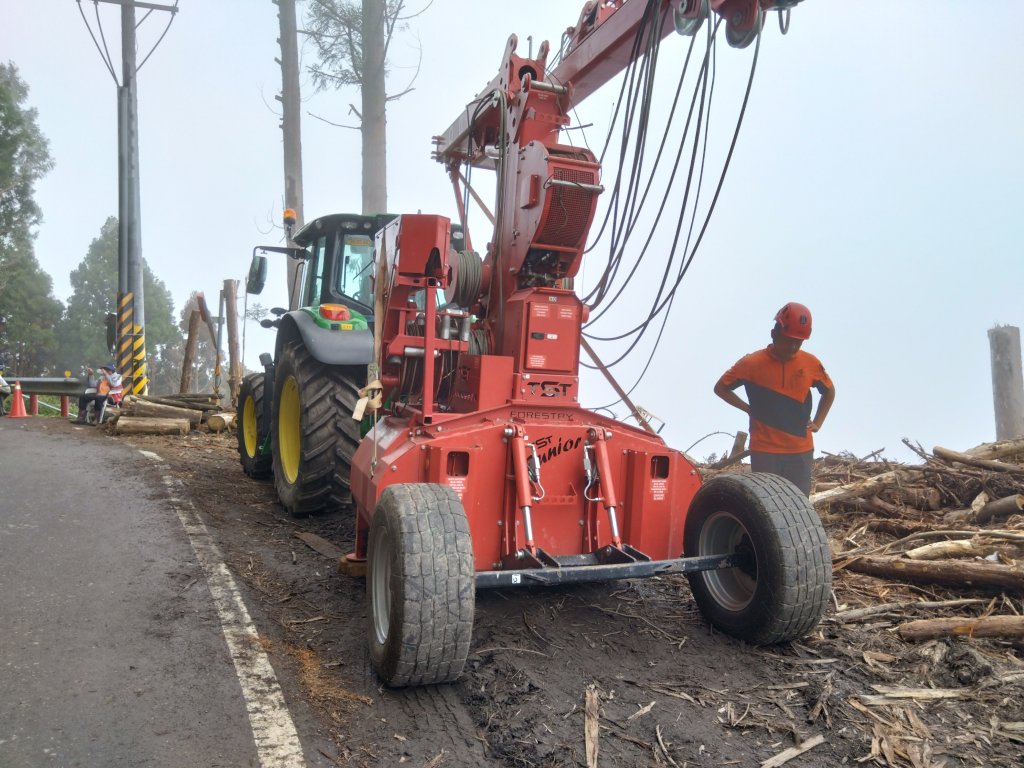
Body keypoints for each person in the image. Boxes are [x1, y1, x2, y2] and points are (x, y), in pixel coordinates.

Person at [714, 302, 835, 496]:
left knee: (799, 506)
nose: (794, 347)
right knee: (766, 507)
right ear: (774, 334)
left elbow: (829, 392)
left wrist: (818, 422)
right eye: (789, 340)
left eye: (799, 342)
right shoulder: (751, 363)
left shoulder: (811, 363)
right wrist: (747, 408)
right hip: (765, 451)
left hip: (801, 451)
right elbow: (720, 388)